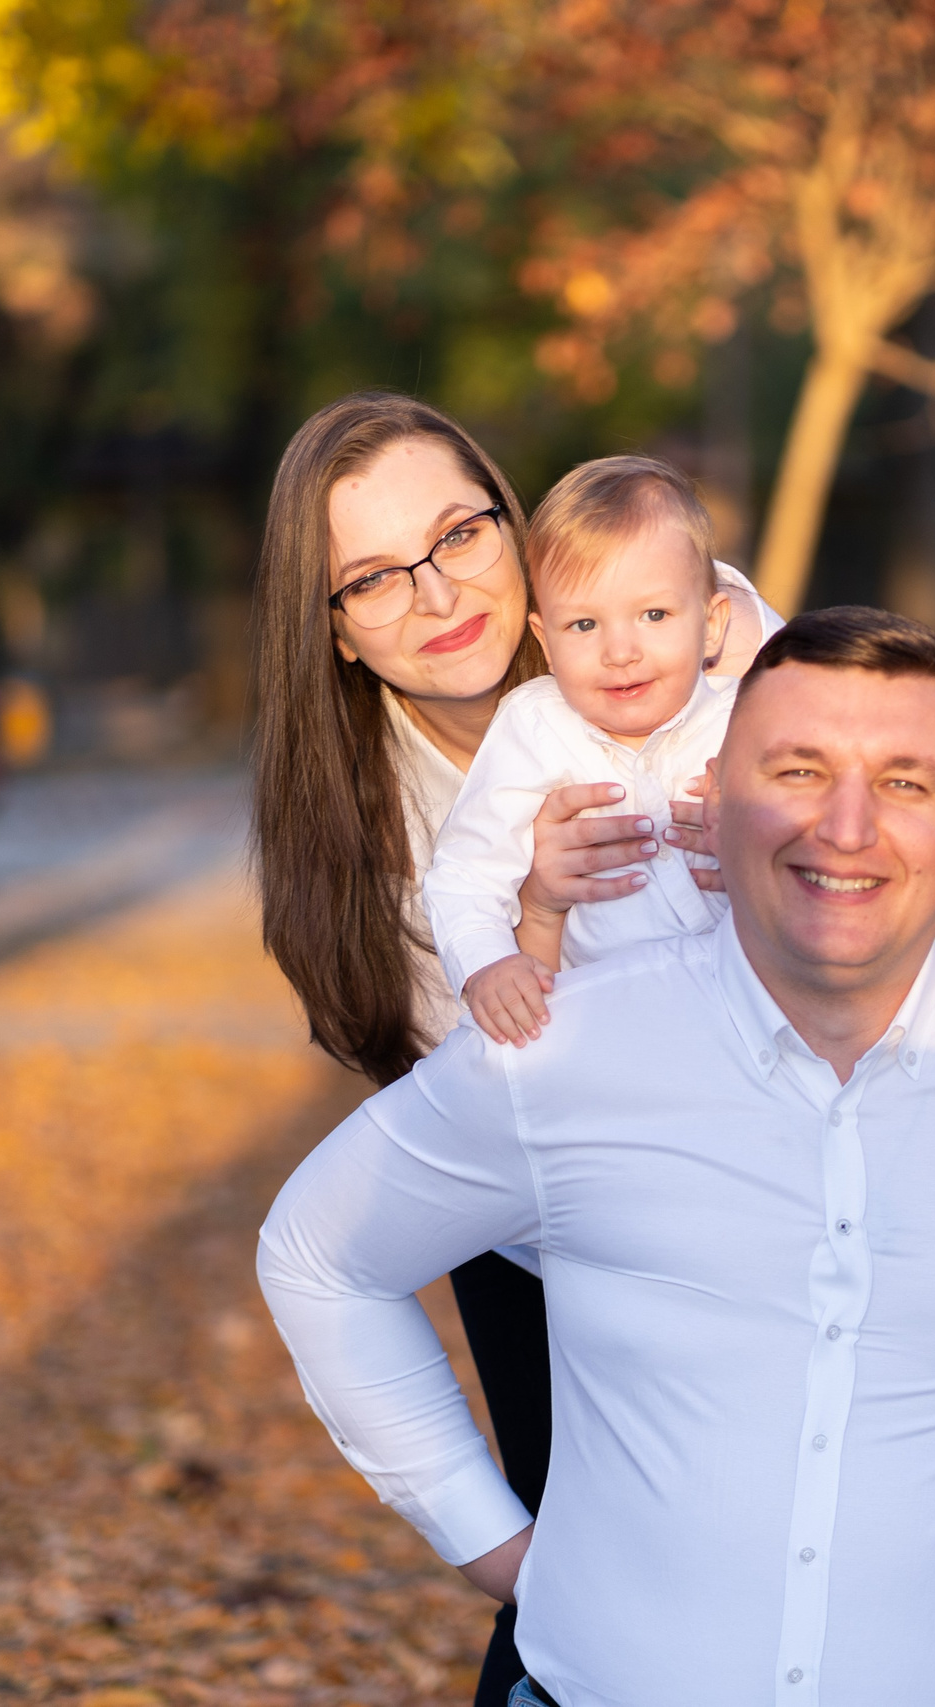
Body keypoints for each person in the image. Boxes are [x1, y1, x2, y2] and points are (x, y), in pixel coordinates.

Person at [259, 607, 935, 1707]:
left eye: (906, 782)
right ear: (716, 801)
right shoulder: (561, 1057)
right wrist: (485, 1539)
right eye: (798, 771)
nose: (848, 827)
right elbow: (319, 1253)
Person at [248, 392, 768, 1705]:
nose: (436, 594)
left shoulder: (666, 636)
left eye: (460, 533)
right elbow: (523, 1095)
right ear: (339, 636)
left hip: (772, 1152)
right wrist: (537, 908)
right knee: (602, 1582)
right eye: (374, 577)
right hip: (545, 1219)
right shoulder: (379, 850)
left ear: (516, 529)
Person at [429, 455, 771, 1044]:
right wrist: (487, 964)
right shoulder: (535, 727)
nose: (620, 651)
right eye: (584, 625)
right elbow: (465, 872)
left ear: (712, 625)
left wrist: (755, 837)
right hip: (607, 1032)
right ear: (546, 638)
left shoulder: (749, 719)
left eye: (654, 614)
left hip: (750, 1019)